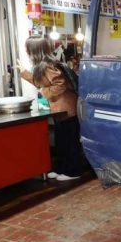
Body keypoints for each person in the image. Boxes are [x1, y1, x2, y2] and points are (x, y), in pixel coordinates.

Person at [19, 36, 82, 181]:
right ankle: (62, 169)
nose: (26, 52)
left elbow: (60, 84)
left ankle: (73, 172)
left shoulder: (47, 65)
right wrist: (24, 72)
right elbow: (41, 83)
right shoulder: (43, 65)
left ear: (34, 50)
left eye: (28, 49)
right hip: (60, 109)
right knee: (62, 141)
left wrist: (45, 92)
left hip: (67, 109)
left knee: (69, 142)